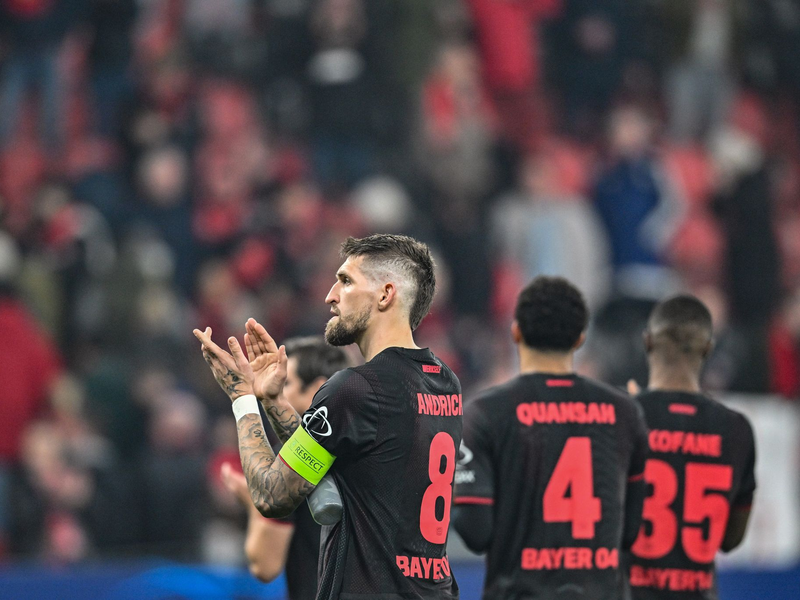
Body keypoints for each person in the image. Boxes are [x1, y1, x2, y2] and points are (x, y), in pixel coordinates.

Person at [194, 234, 462, 600]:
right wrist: (272, 401)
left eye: (346, 281)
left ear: (385, 295)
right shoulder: (444, 381)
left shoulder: (356, 388)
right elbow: (337, 463)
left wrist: (241, 398)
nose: (330, 296)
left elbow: (271, 495)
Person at [453, 275, 648, 599]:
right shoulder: (625, 412)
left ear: (516, 332)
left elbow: (475, 531)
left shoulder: (486, 412)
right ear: (580, 338)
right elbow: (630, 531)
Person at [625, 296, 756, 599]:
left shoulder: (625, 417)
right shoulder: (736, 429)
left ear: (647, 342)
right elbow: (731, 539)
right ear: (708, 349)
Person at [220, 336, 349, 599]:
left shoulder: (294, 458)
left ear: (318, 388)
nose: (275, 390)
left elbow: (265, 566)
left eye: (286, 383)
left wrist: (254, 502)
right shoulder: (365, 442)